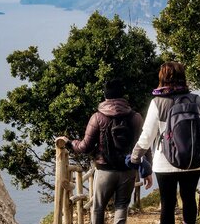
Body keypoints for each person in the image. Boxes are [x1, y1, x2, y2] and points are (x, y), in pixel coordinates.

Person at [129, 61, 200, 224]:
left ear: (162, 78)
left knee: (167, 204)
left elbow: (147, 135)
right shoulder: (197, 100)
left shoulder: (158, 102)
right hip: (194, 161)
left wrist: (135, 156)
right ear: (183, 77)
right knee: (189, 199)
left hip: (165, 162)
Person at [60, 79, 152, 224]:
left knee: (98, 208)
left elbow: (85, 147)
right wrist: (147, 170)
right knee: (121, 206)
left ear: (106, 96)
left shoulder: (97, 117)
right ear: (123, 96)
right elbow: (145, 145)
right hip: (128, 170)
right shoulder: (136, 117)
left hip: (104, 170)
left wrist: (70, 143)